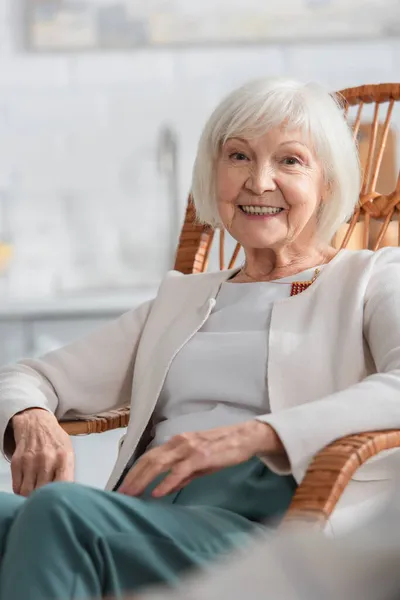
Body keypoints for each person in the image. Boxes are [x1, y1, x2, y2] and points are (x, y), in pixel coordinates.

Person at [0, 77, 400, 599]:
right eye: (238, 156)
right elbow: (28, 376)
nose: (258, 182)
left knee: (60, 513)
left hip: (274, 526)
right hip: (150, 512)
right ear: (213, 177)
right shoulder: (180, 300)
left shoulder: (371, 278)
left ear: (327, 183)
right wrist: (31, 419)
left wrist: (254, 435)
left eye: (291, 161)